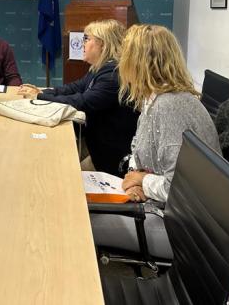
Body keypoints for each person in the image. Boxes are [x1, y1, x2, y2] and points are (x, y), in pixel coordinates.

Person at [90, 24, 220, 259]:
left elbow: (179, 190)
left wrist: (143, 180)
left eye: (125, 56)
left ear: (137, 63)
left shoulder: (170, 107)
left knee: (81, 223)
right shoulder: (156, 99)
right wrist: (135, 179)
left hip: (182, 229)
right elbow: (139, 150)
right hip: (161, 211)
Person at [18, 19, 138, 174]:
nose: (82, 44)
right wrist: (43, 92)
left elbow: (82, 102)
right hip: (95, 144)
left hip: (110, 157)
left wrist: (39, 97)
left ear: (103, 44)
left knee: (59, 172)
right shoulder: (101, 68)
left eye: (87, 39)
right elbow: (74, 88)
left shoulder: (113, 74)